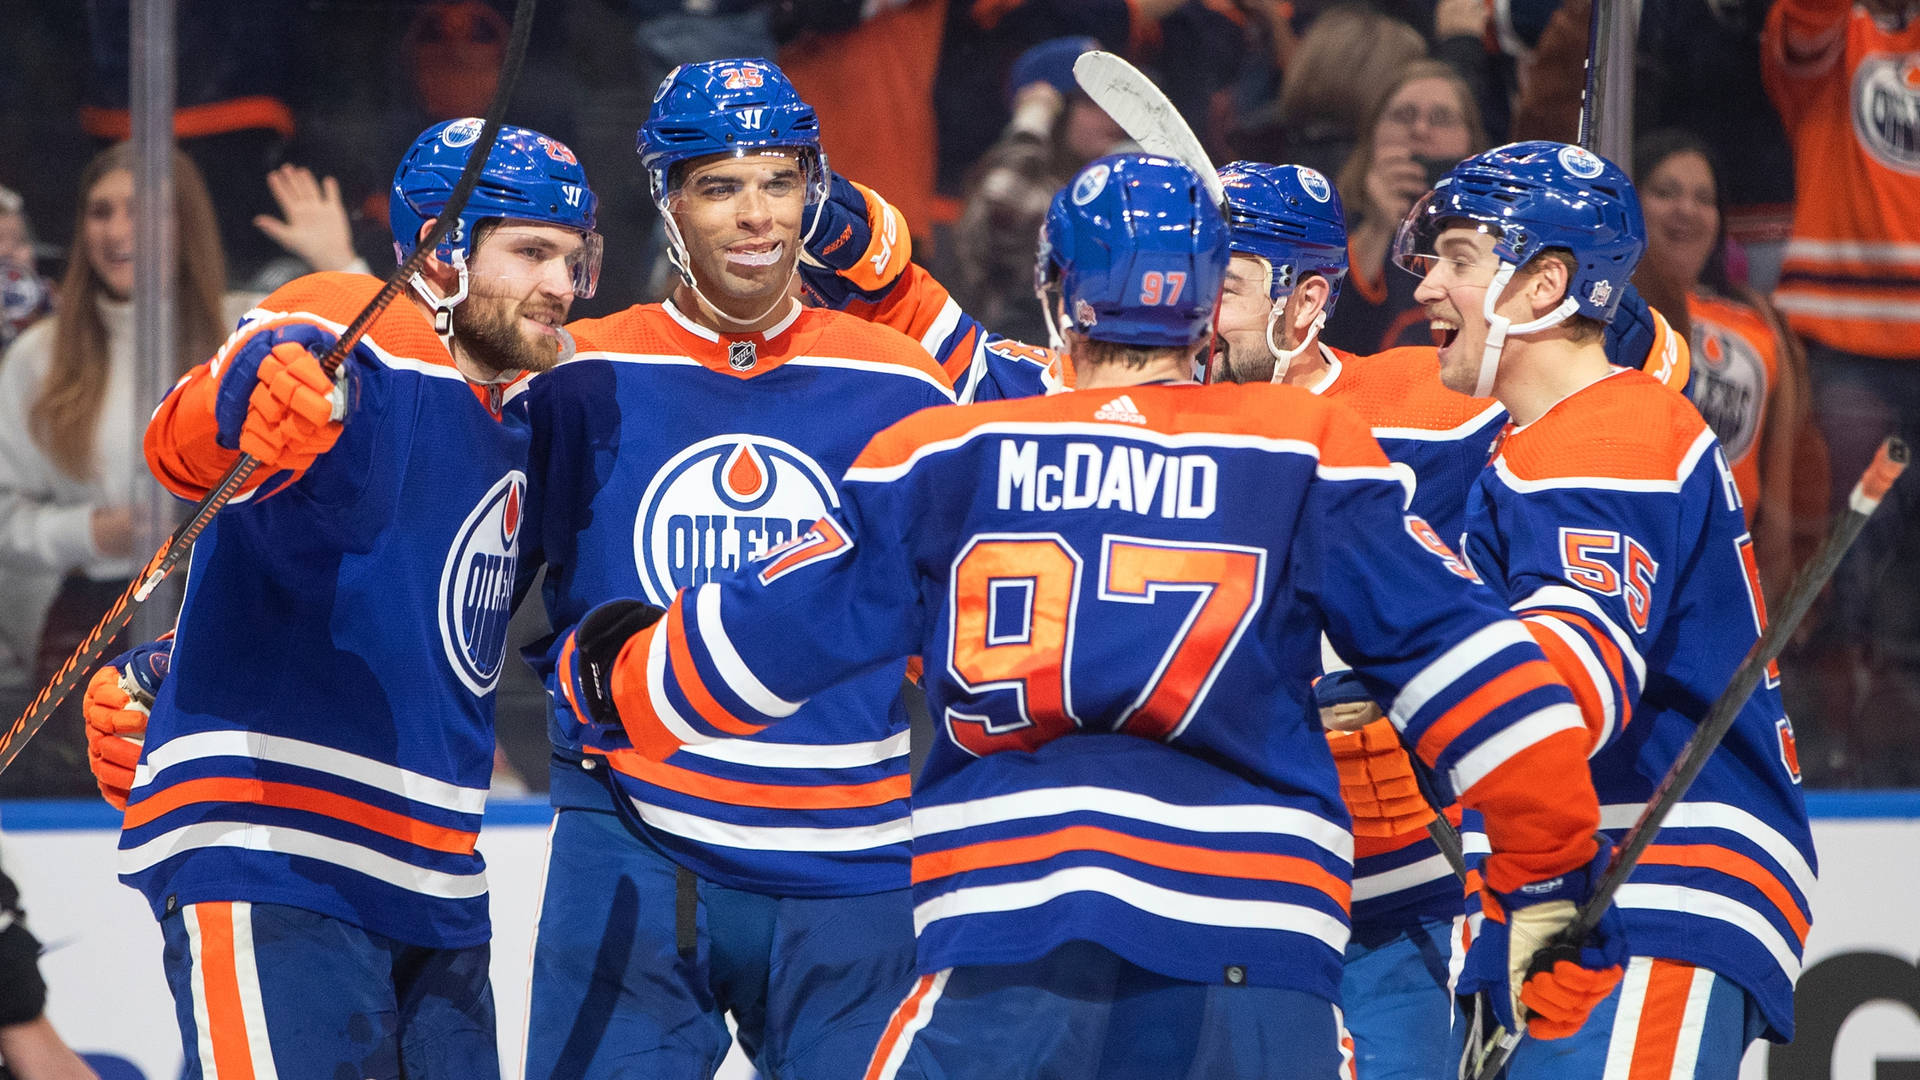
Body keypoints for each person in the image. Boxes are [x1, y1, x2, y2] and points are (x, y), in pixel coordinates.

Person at [555, 151, 1623, 1079]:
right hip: (1260, 952)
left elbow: (787, 626)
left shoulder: (953, 451)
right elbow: (1472, 663)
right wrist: (1550, 877)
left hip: (1009, 944)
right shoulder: (1306, 447)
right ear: (1212, 306)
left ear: (1058, 294)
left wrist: (622, 680)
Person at [82, 118, 602, 1076]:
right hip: (276, 850)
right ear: (443, 254)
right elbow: (190, 436)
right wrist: (249, 396)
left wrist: (164, 668)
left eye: (575, 258)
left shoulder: (528, 414)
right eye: (532, 252)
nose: (562, 285)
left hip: (434, 882)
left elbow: (380, 598)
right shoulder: (370, 325)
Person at [514, 58, 953, 1079]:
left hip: (855, 867)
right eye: (719, 186)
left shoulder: (900, 382)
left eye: (780, 181)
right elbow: (459, 554)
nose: (758, 216)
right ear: (668, 202)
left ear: (813, 187)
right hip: (631, 838)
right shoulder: (581, 375)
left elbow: (967, 622)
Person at [1399, 140, 1815, 1076]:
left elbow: (1561, 697)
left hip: (1645, 880)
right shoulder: (1534, 443)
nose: (1428, 288)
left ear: (1544, 287)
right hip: (1582, 887)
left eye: (1460, 259)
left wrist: (1398, 671)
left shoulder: (1606, 432)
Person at [0, 143, 230, 799]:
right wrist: (88, 532)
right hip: (89, 625)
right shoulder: (39, 358)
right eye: (100, 212)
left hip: (225, 610)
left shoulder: (244, 333)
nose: (116, 231)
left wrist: (340, 264)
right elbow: (3, 514)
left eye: (140, 211)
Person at [1762, 0, 1920, 786]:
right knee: (1844, 566)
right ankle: (1832, 754)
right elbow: (1803, 25)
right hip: (1848, 342)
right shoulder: (1841, 33)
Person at [1633, 129, 1816, 603]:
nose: (1686, 211)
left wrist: (1777, 569)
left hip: (1730, 567)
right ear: (1631, 202)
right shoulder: (1611, 310)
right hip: (1640, 542)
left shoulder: (1758, 318)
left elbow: (1783, 468)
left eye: (1704, 198)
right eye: (1665, 192)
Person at [1330, 60, 1490, 353]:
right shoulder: (1331, 220)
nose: (1420, 129)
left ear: (1471, 140)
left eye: (1441, 118)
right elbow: (1331, 333)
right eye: (1403, 116)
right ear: (1372, 134)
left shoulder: (1494, 232)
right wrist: (1377, 228)